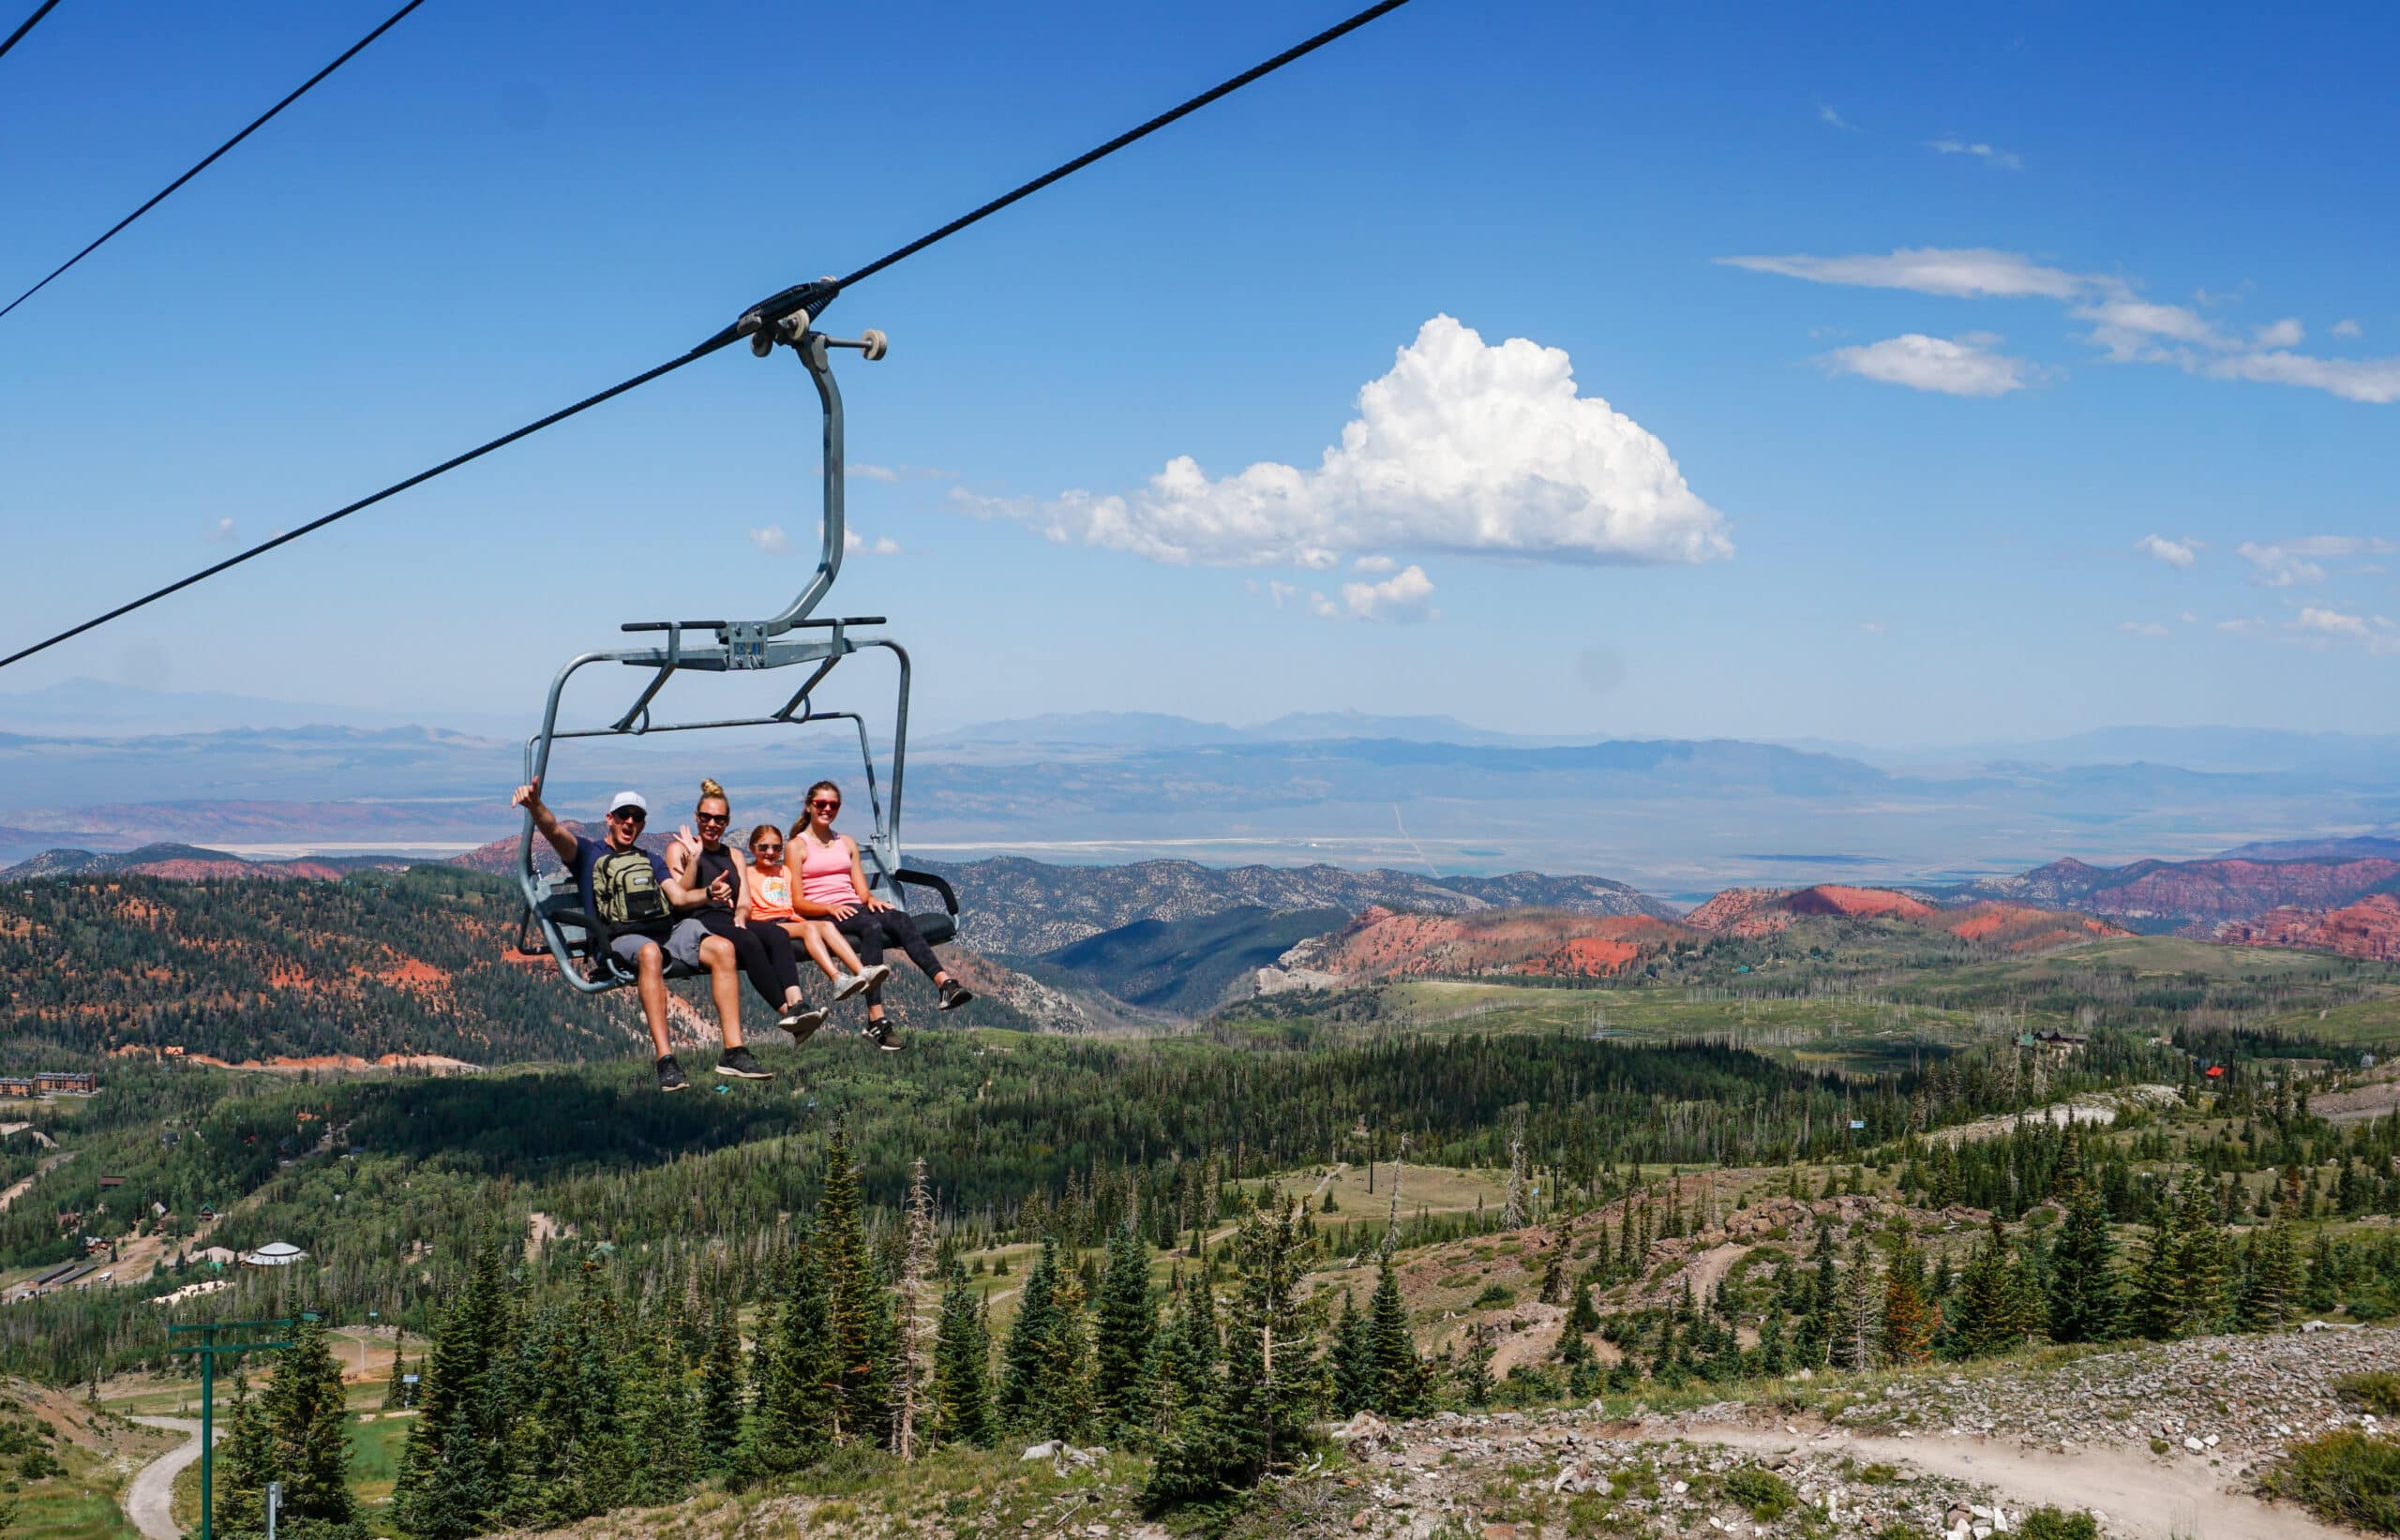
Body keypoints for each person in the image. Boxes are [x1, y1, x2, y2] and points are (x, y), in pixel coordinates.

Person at [512, 781, 772, 1092]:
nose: (630, 822)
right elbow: (554, 831)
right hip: (617, 938)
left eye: (636, 817)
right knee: (650, 953)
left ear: (643, 823)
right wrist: (535, 805)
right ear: (610, 818)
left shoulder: (651, 860)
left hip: (664, 932)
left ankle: (734, 1050)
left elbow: (678, 897)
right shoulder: (587, 853)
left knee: (722, 948)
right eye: (624, 816)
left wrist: (708, 892)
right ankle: (665, 1059)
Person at [789, 778, 971, 1051]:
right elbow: (797, 901)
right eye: (821, 804)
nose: (827, 809)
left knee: (899, 918)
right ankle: (876, 1017)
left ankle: (944, 983)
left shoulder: (846, 843)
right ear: (809, 807)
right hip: (822, 913)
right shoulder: (797, 846)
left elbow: (861, 891)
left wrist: (872, 900)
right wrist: (829, 907)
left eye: (833, 805)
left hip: (852, 907)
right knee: (871, 928)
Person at [662, 779, 827, 1044]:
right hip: (697, 923)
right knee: (749, 942)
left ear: (726, 822)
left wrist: (741, 914)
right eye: (706, 817)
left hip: (728, 919)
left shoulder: (734, 855)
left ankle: (797, 1005)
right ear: (696, 817)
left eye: (719, 819)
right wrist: (694, 860)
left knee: (777, 935)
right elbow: (679, 900)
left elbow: (745, 900)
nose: (712, 824)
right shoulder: (679, 849)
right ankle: (788, 1015)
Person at [741, 820, 891, 1022]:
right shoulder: (747, 873)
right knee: (810, 929)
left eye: (776, 848)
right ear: (752, 848)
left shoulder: (784, 871)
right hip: (767, 923)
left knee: (826, 925)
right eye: (763, 847)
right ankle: (837, 978)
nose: (770, 852)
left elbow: (799, 894)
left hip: (790, 918)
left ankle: (862, 972)